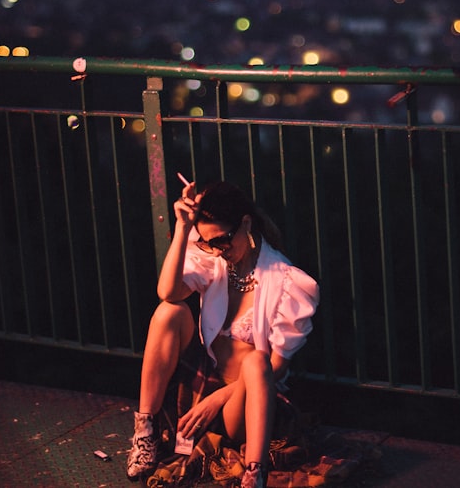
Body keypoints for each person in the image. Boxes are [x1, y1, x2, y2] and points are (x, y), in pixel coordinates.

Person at [126, 179, 320, 488]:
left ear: (245, 223)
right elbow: (167, 290)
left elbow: (277, 367)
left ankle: (254, 474)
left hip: (242, 403)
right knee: (169, 311)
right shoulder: (214, 260)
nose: (217, 249)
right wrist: (183, 228)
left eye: (223, 240)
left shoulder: (289, 283)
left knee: (258, 361)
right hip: (204, 381)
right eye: (208, 242)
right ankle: (145, 430)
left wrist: (218, 399)